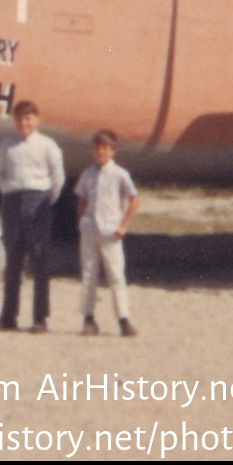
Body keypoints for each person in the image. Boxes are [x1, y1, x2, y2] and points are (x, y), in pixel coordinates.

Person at [0, 100, 65, 332]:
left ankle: (39, 318)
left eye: (28, 118)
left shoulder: (48, 145)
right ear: (15, 121)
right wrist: (10, 194)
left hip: (38, 202)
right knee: (13, 260)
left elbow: (57, 178)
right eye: (20, 119)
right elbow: (0, 175)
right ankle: (8, 316)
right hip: (13, 201)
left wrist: (45, 200)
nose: (24, 123)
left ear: (37, 120)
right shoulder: (7, 145)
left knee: (39, 259)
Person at [75, 130, 141, 338]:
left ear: (113, 151)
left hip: (111, 232)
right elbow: (81, 199)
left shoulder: (120, 174)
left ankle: (123, 319)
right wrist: (82, 221)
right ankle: (88, 318)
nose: (100, 152)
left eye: (105, 148)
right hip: (90, 231)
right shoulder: (88, 174)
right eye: (97, 148)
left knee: (115, 276)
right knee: (88, 275)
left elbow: (134, 200)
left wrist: (123, 226)